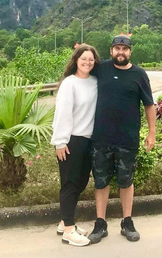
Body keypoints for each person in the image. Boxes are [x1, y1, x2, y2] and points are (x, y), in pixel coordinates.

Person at [88, 35, 156, 244]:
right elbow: (80, 73)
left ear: (130, 52)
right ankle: (100, 223)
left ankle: (127, 222)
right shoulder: (101, 69)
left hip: (127, 138)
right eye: (117, 48)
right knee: (101, 181)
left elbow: (149, 105)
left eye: (124, 49)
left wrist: (152, 132)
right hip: (101, 137)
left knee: (126, 181)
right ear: (111, 51)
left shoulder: (139, 74)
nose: (121, 52)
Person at [50, 44, 100, 247]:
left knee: (80, 183)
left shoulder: (96, 82)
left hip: (89, 140)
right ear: (76, 60)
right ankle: (69, 232)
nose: (88, 62)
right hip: (72, 140)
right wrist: (60, 142)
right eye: (84, 58)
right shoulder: (69, 84)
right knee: (70, 184)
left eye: (91, 59)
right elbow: (62, 113)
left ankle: (64, 222)